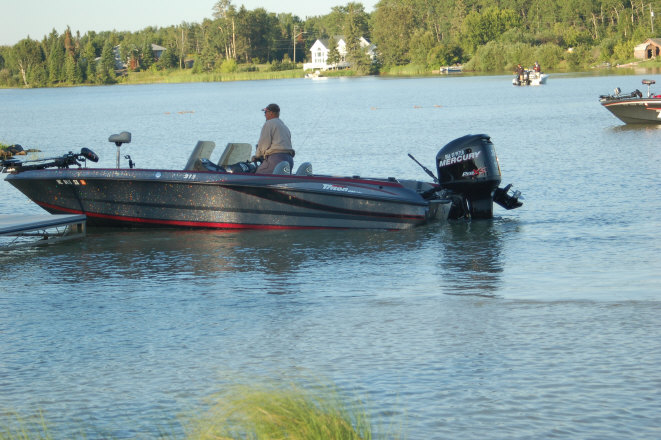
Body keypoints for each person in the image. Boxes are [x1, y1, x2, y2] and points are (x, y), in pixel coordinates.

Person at [252, 103, 295, 174]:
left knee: (258, 174)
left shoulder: (269, 123)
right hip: (289, 160)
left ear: (271, 113)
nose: (264, 115)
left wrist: (257, 156)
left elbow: (264, 144)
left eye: (265, 112)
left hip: (276, 160)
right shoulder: (284, 126)